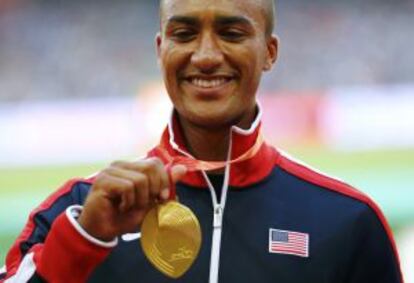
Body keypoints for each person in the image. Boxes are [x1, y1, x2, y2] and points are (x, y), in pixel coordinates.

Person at [0, 0, 404, 282]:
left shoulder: (349, 220)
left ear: (269, 51)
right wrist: (83, 240)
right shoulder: (77, 211)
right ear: (162, 50)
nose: (206, 55)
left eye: (231, 32)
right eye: (184, 33)